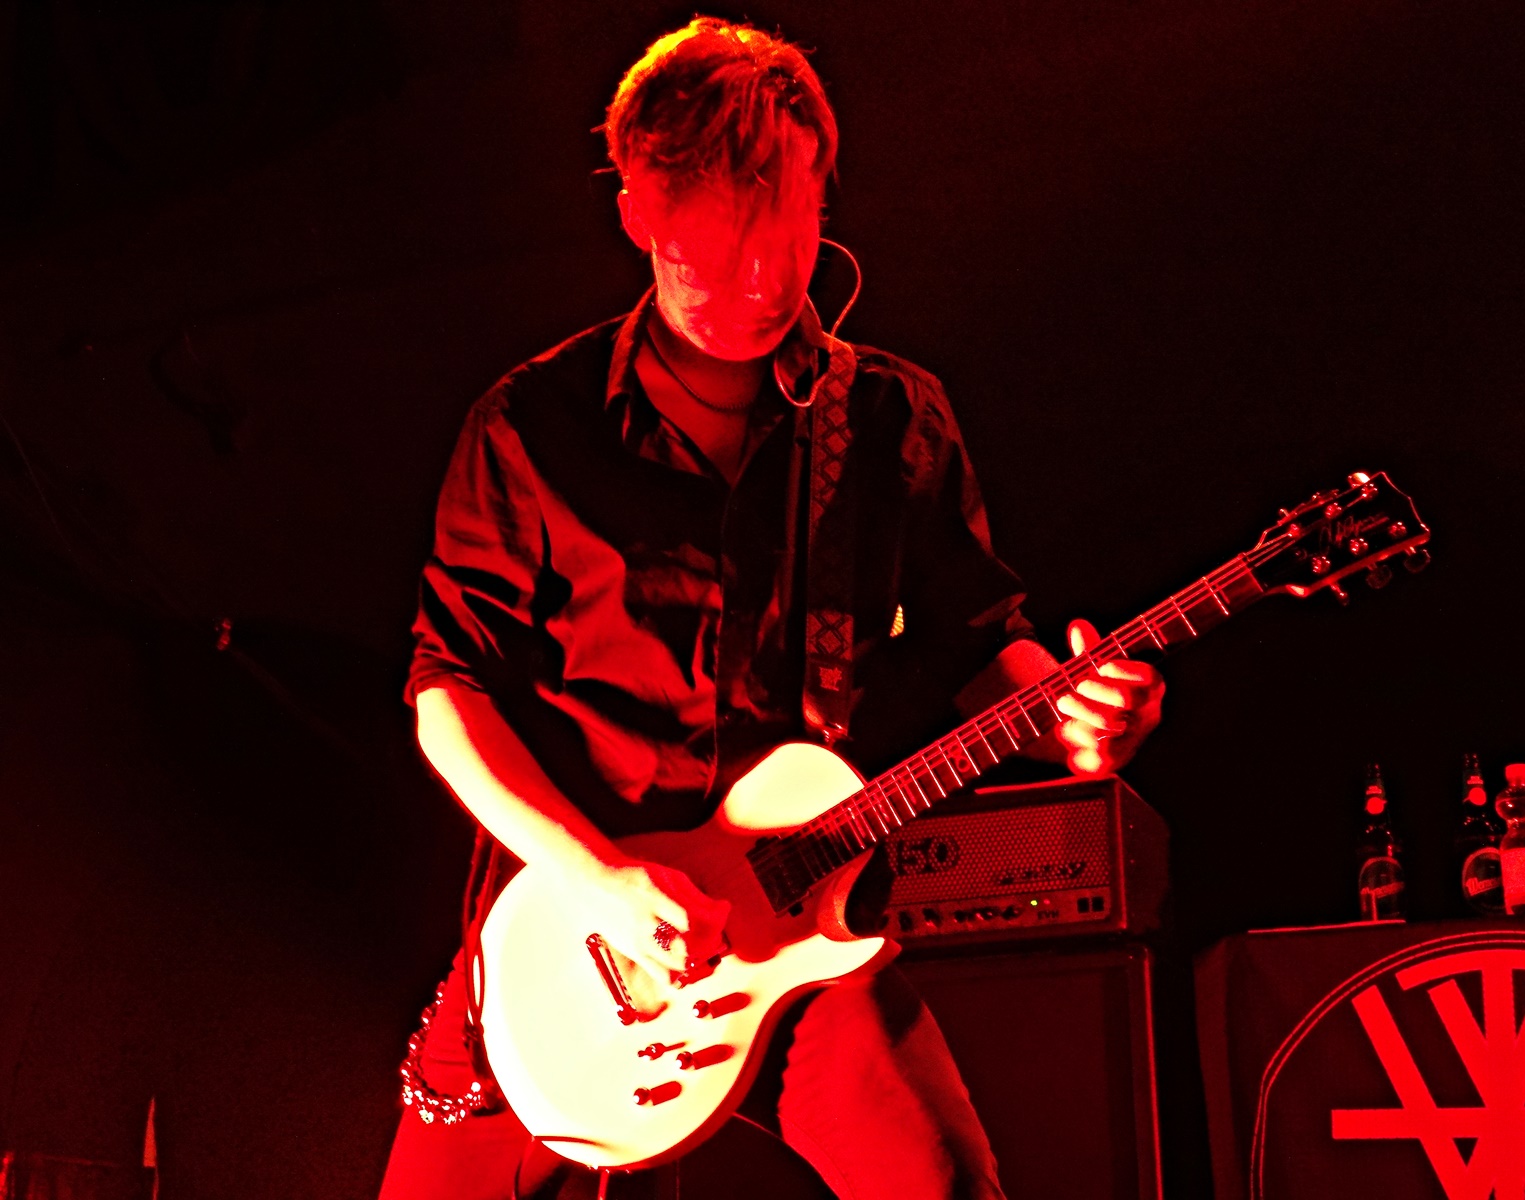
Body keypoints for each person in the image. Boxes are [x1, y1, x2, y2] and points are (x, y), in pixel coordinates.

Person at [377, 18, 1163, 1200]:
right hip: (571, 940)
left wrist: (1072, 718)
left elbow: (981, 644)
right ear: (637, 213)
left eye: (784, 242)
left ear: (820, 194)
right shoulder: (531, 427)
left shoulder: (891, 419)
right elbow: (449, 693)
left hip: (804, 932)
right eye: (713, 250)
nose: (754, 285)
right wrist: (596, 878)